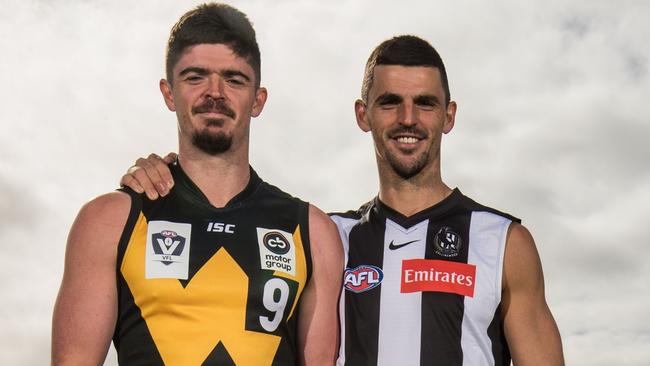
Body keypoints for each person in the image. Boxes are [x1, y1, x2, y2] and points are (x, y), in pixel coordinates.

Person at [120, 36, 565, 365]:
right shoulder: (326, 236)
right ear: (362, 114)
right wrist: (168, 178)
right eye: (389, 102)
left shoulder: (504, 241)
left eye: (425, 103)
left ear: (448, 116)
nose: (407, 119)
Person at [52, 3, 342, 366]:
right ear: (169, 92)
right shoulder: (107, 221)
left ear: (258, 100)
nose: (215, 92)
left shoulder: (312, 232)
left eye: (234, 79)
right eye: (195, 77)